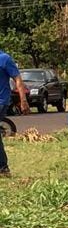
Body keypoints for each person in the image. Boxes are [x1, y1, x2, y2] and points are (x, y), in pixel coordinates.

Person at [0, 49, 29, 177]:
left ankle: (3, 167)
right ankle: (3, 168)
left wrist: (23, 100)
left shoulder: (5, 58)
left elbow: (17, 79)